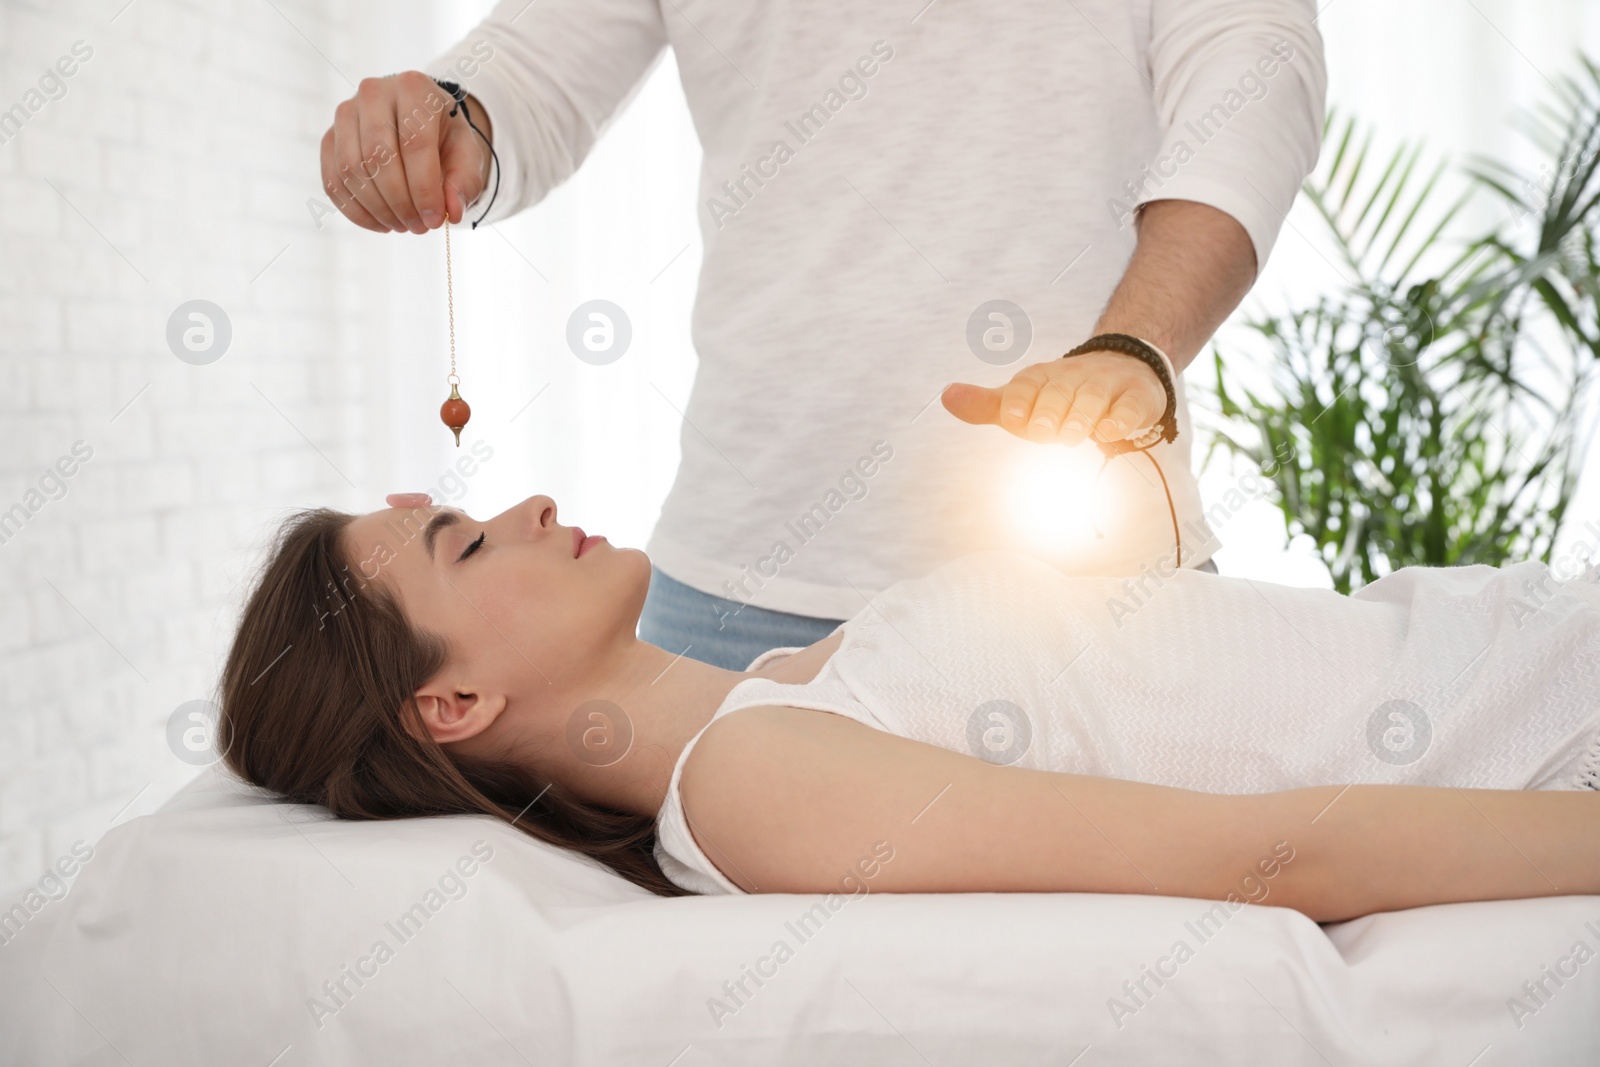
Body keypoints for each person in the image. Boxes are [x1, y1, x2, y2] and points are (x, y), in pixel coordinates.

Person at [317, 1, 1327, 669]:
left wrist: (1133, 344)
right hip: (735, 598)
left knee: (1118, 966)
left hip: (1094, 586)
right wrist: (438, 122)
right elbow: (528, 75)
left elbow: (1251, 86)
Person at [219, 492, 1600, 919]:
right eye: (467, 543)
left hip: (1523, 639)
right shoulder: (752, 785)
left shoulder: (770, 693)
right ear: (451, 701)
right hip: (1551, 728)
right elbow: (1270, 853)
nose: (522, 506)